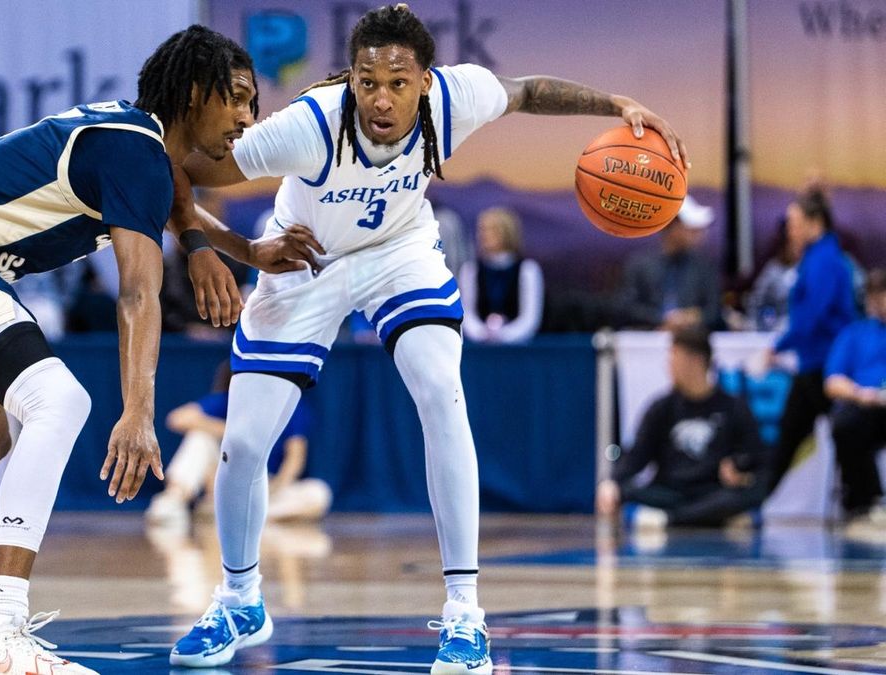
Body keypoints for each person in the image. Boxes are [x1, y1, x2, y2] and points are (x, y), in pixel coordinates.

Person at [170, 5, 689, 672]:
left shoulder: (456, 96)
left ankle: (465, 614)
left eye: (397, 82)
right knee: (242, 443)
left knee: (442, 392)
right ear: (350, 81)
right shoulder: (306, 128)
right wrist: (231, 247)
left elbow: (529, 91)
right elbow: (174, 176)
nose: (380, 98)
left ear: (425, 81)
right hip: (304, 261)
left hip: (399, 252)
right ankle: (241, 598)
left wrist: (616, 103)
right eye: (366, 81)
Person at [0, 26, 314, 675]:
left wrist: (236, 248)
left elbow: (178, 194)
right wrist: (137, 409)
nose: (248, 116)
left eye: (253, 103)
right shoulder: (136, 151)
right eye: (236, 97)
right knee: (60, 399)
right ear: (191, 93)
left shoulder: (138, 145)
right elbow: (137, 293)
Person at [596, 325, 768, 528]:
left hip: (713, 489)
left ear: (696, 361)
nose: (669, 366)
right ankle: (709, 519)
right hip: (671, 490)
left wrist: (739, 469)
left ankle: (670, 520)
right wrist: (612, 482)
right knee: (626, 491)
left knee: (750, 494)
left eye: (674, 359)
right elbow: (636, 456)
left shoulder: (733, 407)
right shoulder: (662, 407)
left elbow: (757, 458)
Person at [146, 364, 327, 527]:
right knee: (199, 438)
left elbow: (295, 460)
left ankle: (246, 517)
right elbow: (177, 419)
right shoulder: (228, 401)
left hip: (267, 488)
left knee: (318, 493)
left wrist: (272, 490)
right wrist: (232, 432)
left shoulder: (292, 407)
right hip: (225, 485)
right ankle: (174, 499)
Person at [766, 189, 857, 494]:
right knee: (797, 435)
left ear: (815, 222)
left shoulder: (824, 261)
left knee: (840, 430)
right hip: (815, 362)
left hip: (825, 364)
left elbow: (812, 316)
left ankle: (861, 499)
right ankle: (757, 500)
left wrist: (777, 346)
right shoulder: (816, 258)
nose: (789, 230)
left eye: (794, 222)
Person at [824, 268, 886, 520]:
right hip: (866, 405)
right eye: (877, 295)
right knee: (845, 425)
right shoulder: (854, 333)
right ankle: (867, 503)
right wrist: (862, 394)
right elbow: (832, 382)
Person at [616, 194, 721, 331]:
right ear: (671, 226)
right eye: (691, 228)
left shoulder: (704, 268)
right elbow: (626, 308)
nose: (700, 234)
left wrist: (692, 318)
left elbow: (715, 311)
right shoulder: (640, 265)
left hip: (690, 342)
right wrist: (661, 319)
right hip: (646, 342)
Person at [457, 206, 544, 344]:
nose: (483, 235)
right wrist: (482, 334)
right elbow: (466, 313)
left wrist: (504, 336)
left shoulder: (528, 270)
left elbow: (530, 318)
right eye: (482, 230)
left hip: (518, 349)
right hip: (480, 348)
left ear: (507, 232)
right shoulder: (470, 270)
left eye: (491, 230)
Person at [744, 218, 804, 332]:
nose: (797, 249)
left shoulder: (812, 268)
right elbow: (756, 302)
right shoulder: (773, 270)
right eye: (792, 244)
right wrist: (756, 328)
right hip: (778, 332)